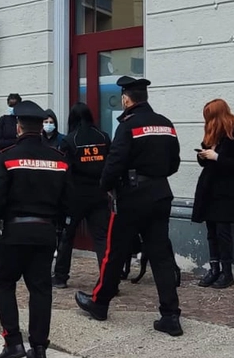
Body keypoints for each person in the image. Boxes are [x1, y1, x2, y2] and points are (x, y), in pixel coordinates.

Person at [75, 76, 184, 337]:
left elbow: (115, 163)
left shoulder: (127, 125)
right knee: (161, 256)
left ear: (126, 99)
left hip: (131, 198)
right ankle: (170, 315)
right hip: (160, 194)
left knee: (114, 253)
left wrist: (104, 187)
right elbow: (174, 163)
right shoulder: (165, 124)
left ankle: (100, 304)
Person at [0, 100, 67, 358]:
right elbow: (69, 199)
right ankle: (39, 348)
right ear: (43, 127)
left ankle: (13, 342)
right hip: (45, 232)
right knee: (41, 289)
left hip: (13, 231)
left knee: (4, 282)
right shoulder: (59, 159)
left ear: (18, 127)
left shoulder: (8, 157)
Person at [192, 98, 234, 289]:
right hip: (210, 189)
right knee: (211, 231)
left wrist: (217, 157)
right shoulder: (213, 133)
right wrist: (203, 155)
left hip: (227, 191)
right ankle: (214, 269)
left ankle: (226, 272)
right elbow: (205, 161)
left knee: (222, 232)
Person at [53, 102, 111, 289]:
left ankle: (61, 277)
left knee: (67, 237)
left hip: (75, 197)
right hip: (99, 194)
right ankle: (108, 279)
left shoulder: (70, 140)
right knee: (102, 239)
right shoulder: (103, 137)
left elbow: (64, 171)